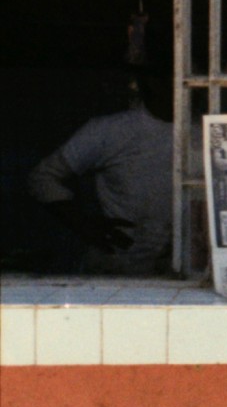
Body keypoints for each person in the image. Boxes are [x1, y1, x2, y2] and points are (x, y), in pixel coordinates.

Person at [27, 66, 173, 275]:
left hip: (185, 269)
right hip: (118, 268)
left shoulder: (205, 130)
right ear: (155, 83)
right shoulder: (110, 130)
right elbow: (42, 177)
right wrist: (82, 224)